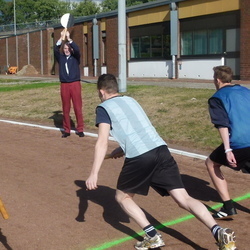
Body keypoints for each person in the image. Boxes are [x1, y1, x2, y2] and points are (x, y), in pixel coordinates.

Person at [85, 73, 237, 250]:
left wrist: (94, 173)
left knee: (122, 196)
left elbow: (102, 141)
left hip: (140, 157)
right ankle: (218, 230)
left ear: (102, 92)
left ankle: (152, 235)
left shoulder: (103, 108)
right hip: (161, 150)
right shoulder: (131, 101)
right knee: (183, 198)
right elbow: (139, 130)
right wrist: (121, 149)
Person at [205, 65, 250, 219]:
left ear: (217, 80)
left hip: (240, 142)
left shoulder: (217, 98)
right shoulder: (246, 91)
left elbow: (222, 124)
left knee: (211, 163)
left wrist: (227, 149)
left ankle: (228, 206)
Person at [54, 29, 84, 138]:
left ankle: (80, 129)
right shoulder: (61, 58)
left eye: (68, 48)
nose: (66, 50)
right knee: (66, 108)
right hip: (64, 85)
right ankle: (67, 130)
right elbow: (55, 49)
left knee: (77, 107)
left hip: (75, 84)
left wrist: (69, 38)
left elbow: (77, 49)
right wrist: (62, 38)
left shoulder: (75, 58)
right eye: (65, 48)